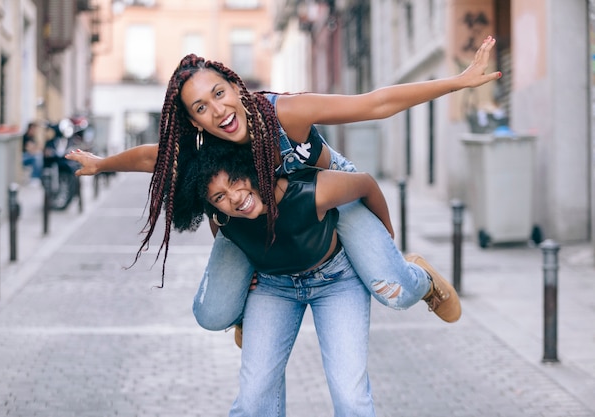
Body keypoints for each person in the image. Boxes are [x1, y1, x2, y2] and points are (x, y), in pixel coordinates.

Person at [66, 36, 500, 331]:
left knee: (394, 291)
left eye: (219, 93)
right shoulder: (204, 149)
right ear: (192, 119)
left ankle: (421, 277)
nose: (216, 111)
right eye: (200, 107)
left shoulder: (283, 114)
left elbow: (376, 103)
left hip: (333, 193)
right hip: (263, 213)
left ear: (235, 86)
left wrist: (457, 82)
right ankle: (248, 311)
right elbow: (150, 157)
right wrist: (101, 164)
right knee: (215, 311)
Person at [182, 138, 396, 416]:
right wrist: (242, 279)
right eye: (219, 197)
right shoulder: (223, 217)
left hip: (337, 281)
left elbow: (366, 183)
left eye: (235, 180)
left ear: (251, 170)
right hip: (273, 287)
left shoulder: (310, 191)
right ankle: (246, 321)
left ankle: (420, 278)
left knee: (351, 400)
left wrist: (386, 238)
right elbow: (227, 235)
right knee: (252, 404)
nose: (233, 197)